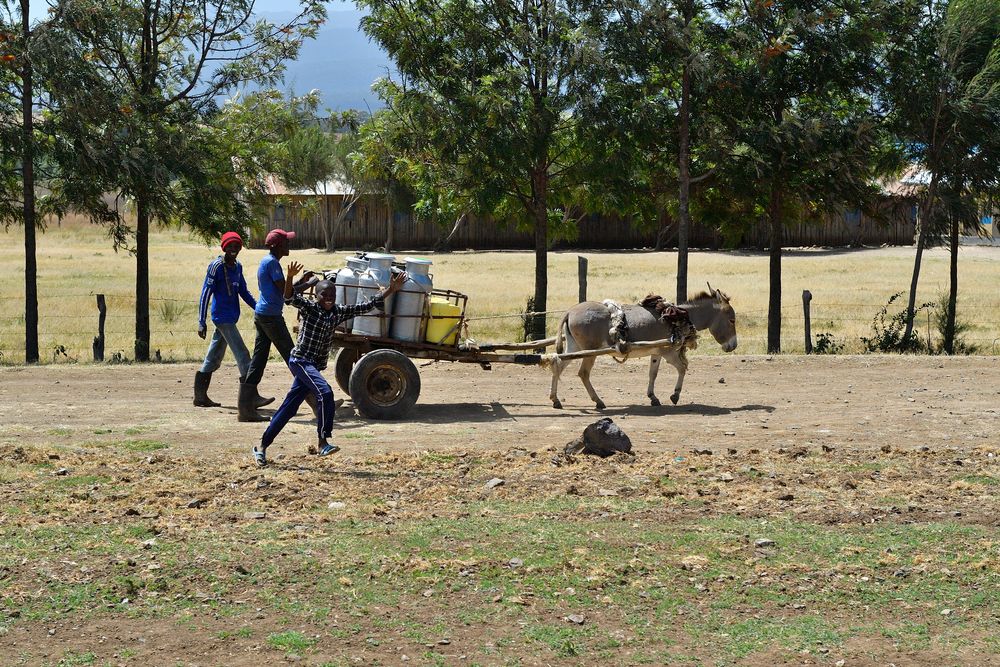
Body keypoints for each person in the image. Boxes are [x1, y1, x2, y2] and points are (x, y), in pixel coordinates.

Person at [252, 261, 405, 466]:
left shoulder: (338, 312)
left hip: (312, 366)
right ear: (316, 296)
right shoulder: (309, 308)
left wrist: (391, 290)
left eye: (332, 296)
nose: (328, 299)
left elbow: (366, 306)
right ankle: (323, 442)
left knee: (288, 409)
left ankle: (261, 447)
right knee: (325, 392)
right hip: (300, 361)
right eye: (324, 295)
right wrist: (289, 278)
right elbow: (288, 297)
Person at [238, 228, 301, 422]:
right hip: (271, 318)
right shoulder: (273, 264)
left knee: (259, 360)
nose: (289, 244)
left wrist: (301, 282)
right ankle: (316, 400)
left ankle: (246, 407)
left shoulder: (268, 261)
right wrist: (303, 283)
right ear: (278, 246)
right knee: (294, 357)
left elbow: (286, 290)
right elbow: (286, 292)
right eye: (286, 242)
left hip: (263, 314)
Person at [194, 231, 256, 407]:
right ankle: (250, 399)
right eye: (230, 246)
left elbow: (243, 291)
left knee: (213, 357)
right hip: (222, 318)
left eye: (237, 246)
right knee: (243, 355)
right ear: (224, 247)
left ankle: (200, 396)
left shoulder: (238, 267)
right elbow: (206, 293)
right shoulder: (216, 267)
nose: (234, 249)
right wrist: (201, 321)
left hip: (231, 317)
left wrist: (259, 307)